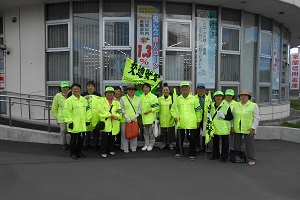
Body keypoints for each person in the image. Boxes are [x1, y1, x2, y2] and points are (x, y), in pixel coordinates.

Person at [171, 82, 202, 161]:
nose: (185, 89)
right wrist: (175, 117)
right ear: (181, 89)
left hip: (191, 122)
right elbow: (173, 109)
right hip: (180, 122)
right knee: (179, 138)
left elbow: (198, 111)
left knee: (192, 139)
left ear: (189, 89)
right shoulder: (177, 99)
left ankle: (192, 154)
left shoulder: (194, 99)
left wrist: (198, 120)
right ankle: (179, 152)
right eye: (183, 87)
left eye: (186, 87)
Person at [63, 83, 91, 160]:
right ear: (71, 90)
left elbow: (88, 110)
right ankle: (73, 153)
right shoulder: (69, 100)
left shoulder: (83, 99)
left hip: (82, 124)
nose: (76, 90)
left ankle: (79, 152)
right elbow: (66, 112)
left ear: (80, 90)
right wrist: (69, 122)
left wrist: (88, 119)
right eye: (74, 89)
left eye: (78, 89)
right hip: (74, 124)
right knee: (73, 140)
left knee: (81, 140)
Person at [232, 90, 260, 166]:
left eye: (245, 95)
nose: (243, 97)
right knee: (236, 144)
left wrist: (253, 127)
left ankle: (251, 158)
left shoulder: (253, 105)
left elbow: (257, 118)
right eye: (241, 95)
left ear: (248, 97)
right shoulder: (236, 105)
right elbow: (233, 116)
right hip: (237, 127)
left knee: (249, 144)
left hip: (249, 128)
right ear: (239, 97)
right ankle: (238, 157)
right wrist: (232, 126)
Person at [209, 91, 233, 163]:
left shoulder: (226, 106)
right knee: (215, 142)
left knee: (225, 143)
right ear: (214, 98)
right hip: (215, 127)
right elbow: (209, 114)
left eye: (220, 96)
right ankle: (215, 155)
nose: (218, 98)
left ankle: (224, 157)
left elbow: (231, 117)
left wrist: (224, 117)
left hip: (223, 127)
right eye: (217, 96)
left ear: (222, 97)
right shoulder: (211, 105)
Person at [98, 87, 121, 158]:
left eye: (111, 92)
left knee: (112, 137)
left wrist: (117, 116)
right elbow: (100, 111)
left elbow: (119, 111)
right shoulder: (101, 101)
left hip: (114, 122)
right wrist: (110, 115)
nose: (109, 94)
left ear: (113, 93)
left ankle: (111, 149)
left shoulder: (117, 102)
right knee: (104, 138)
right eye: (108, 92)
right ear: (105, 94)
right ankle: (103, 151)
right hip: (106, 122)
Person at [120, 84, 142, 153]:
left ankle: (133, 147)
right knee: (124, 134)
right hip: (124, 119)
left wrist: (135, 117)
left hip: (134, 119)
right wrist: (126, 117)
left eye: (132, 89)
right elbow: (121, 108)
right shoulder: (123, 98)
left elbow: (140, 109)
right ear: (127, 91)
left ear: (135, 90)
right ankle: (125, 147)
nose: (131, 91)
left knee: (134, 134)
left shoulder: (138, 98)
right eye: (129, 89)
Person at [81, 81, 102, 151]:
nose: (90, 87)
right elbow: (79, 103)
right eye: (88, 86)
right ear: (86, 87)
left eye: (91, 86)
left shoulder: (98, 95)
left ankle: (95, 145)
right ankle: (86, 144)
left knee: (96, 131)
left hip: (96, 116)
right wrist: (84, 98)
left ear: (94, 87)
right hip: (86, 116)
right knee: (86, 131)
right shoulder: (83, 95)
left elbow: (101, 104)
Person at [140, 82, 159, 151]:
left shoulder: (153, 97)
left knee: (151, 132)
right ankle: (146, 144)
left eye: (147, 87)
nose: (145, 89)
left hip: (151, 118)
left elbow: (157, 108)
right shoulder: (141, 97)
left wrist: (149, 110)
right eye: (144, 87)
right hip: (144, 118)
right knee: (145, 132)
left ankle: (151, 144)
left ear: (149, 88)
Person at [51, 81, 70, 150]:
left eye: (67, 87)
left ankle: (73, 143)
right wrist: (57, 117)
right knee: (63, 130)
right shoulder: (57, 96)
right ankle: (63, 143)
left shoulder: (71, 95)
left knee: (72, 130)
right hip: (62, 117)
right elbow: (54, 108)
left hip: (71, 116)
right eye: (63, 87)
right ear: (60, 88)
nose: (65, 88)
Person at [157, 83, 175, 150]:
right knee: (163, 132)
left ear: (169, 91)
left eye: (167, 90)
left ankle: (170, 143)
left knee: (170, 131)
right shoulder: (159, 99)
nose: (165, 91)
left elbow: (174, 108)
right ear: (162, 91)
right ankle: (164, 143)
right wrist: (157, 116)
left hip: (170, 118)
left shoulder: (172, 99)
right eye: (164, 90)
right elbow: (157, 108)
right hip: (162, 118)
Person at [194, 83, 211, 153]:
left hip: (205, 119)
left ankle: (205, 147)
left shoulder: (208, 98)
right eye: (199, 88)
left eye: (202, 88)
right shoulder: (193, 98)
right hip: (196, 118)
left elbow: (211, 108)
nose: (201, 90)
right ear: (197, 89)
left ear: (204, 90)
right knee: (196, 134)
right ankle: (197, 147)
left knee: (205, 133)